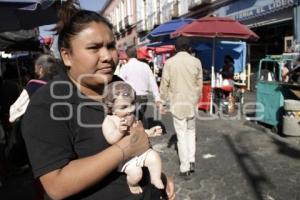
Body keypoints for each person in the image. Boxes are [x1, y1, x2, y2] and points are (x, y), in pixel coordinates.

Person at [21, 1, 175, 200]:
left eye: (111, 46)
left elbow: (139, 140)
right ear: (67, 56)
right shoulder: (48, 103)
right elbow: (56, 185)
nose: (107, 57)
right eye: (94, 48)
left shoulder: (119, 86)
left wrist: (157, 176)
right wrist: (125, 148)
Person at [102, 81, 164, 194]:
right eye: (124, 107)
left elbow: (137, 131)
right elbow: (110, 139)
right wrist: (120, 131)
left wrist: (149, 132)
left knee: (154, 157)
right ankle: (132, 184)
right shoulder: (110, 120)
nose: (130, 109)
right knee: (136, 174)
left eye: (132, 104)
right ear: (111, 108)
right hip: (124, 158)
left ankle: (155, 178)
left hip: (139, 151)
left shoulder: (131, 116)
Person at [160, 37, 203, 177]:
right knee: (191, 132)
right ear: (189, 48)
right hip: (191, 103)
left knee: (181, 134)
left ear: (175, 48)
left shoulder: (170, 63)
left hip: (177, 103)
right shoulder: (196, 62)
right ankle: (191, 160)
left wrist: (164, 101)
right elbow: (199, 85)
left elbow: (164, 84)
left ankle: (184, 167)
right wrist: (195, 99)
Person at [9, 54, 58, 123]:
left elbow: (14, 113)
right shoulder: (62, 84)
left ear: (41, 68)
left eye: (35, 67)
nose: (35, 71)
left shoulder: (33, 86)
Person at [119, 47, 160, 127]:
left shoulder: (124, 68)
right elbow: (153, 83)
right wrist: (157, 98)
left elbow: (120, 83)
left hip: (129, 97)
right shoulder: (145, 66)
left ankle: (138, 134)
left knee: (131, 119)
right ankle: (141, 132)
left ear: (126, 56)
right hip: (143, 97)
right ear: (137, 54)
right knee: (139, 118)